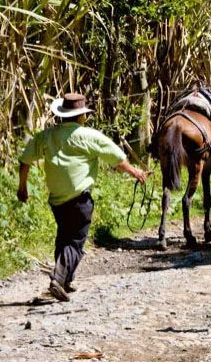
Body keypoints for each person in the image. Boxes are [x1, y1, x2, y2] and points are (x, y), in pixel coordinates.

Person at [17, 93, 150, 302]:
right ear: (81, 117)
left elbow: (24, 161)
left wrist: (22, 187)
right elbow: (117, 159)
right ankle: (58, 279)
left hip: (57, 199)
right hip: (79, 197)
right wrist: (136, 172)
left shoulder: (46, 136)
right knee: (76, 241)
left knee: (64, 237)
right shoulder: (90, 136)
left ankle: (66, 280)